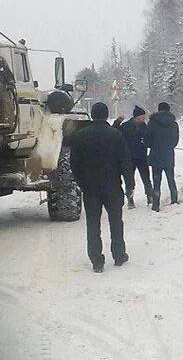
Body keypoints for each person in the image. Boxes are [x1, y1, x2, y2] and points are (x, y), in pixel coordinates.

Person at [71, 102, 134, 273]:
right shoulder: (116, 135)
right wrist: (130, 185)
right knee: (116, 222)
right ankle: (119, 255)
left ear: (92, 115)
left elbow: (74, 164)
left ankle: (96, 260)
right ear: (106, 115)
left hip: (90, 189)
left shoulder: (80, 136)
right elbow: (126, 163)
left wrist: (82, 183)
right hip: (112, 187)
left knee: (92, 224)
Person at [113, 105, 153, 209]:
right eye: (141, 117)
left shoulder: (146, 127)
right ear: (136, 117)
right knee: (129, 180)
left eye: (144, 117)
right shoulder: (126, 126)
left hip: (142, 157)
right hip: (129, 158)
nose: (143, 119)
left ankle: (150, 196)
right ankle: (130, 199)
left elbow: (150, 139)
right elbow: (114, 131)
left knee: (146, 178)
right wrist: (118, 121)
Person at [145, 102, 179, 212]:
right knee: (171, 179)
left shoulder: (152, 123)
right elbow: (175, 141)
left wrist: (153, 145)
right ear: (169, 110)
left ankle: (156, 205)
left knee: (156, 181)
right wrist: (168, 147)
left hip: (156, 156)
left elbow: (147, 141)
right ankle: (174, 199)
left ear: (158, 110)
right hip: (168, 155)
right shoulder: (174, 124)